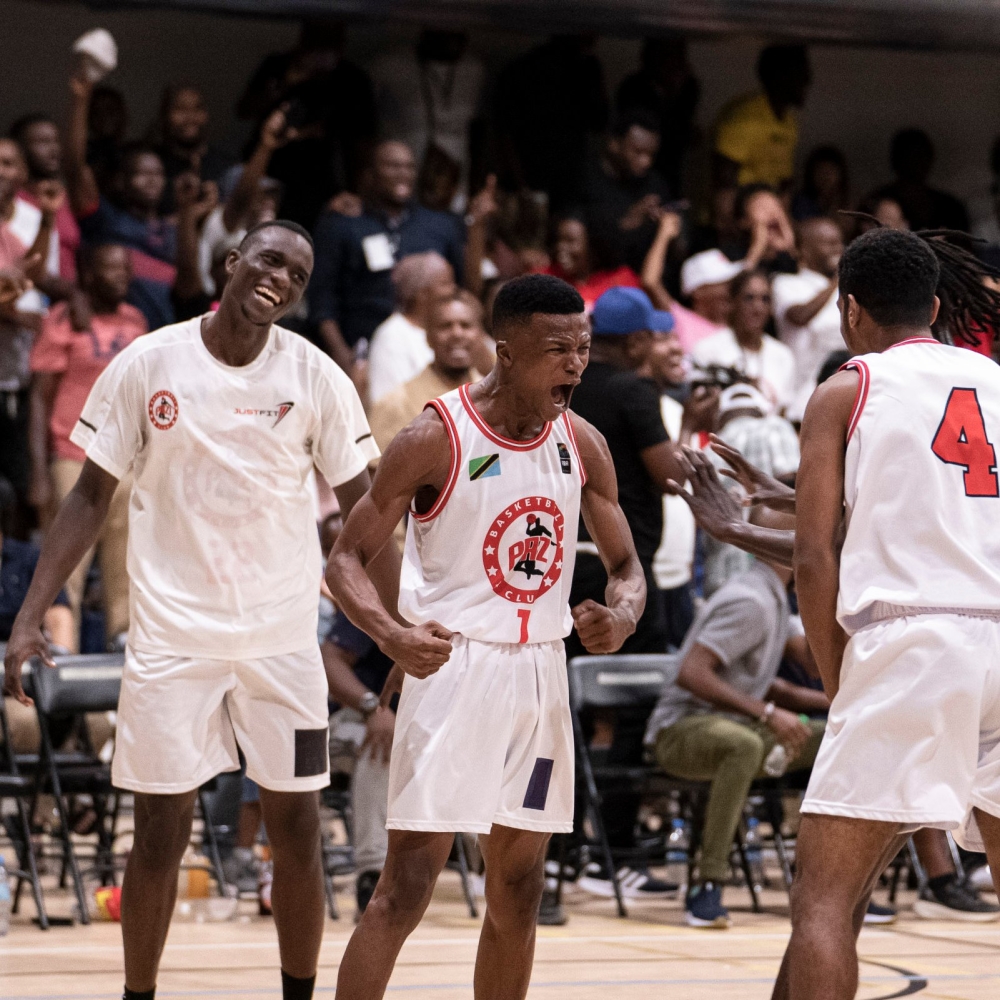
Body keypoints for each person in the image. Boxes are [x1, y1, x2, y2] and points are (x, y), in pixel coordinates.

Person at [4, 218, 399, 1000]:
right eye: (270, 260)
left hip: (283, 637)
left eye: (297, 274)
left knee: (297, 832)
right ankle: (138, 995)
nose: (280, 278)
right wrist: (27, 616)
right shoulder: (149, 362)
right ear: (232, 261)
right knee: (157, 832)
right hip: (172, 636)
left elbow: (369, 513)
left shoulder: (317, 376)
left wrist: (395, 633)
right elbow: (89, 496)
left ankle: (296, 994)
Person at [326, 273, 646, 1000]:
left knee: (519, 887)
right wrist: (391, 636)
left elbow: (627, 567)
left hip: (538, 674)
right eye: (557, 349)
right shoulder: (435, 435)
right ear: (505, 351)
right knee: (406, 889)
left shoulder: (583, 442)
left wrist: (620, 615)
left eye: (584, 348)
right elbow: (343, 559)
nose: (575, 363)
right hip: (452, 670)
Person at [769, 226, 1000, 999]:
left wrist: (841, 683)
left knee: (824, 905)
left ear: (849, 311)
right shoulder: (995, 380)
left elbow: (811, 557)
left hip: (914, 639)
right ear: (936, 306)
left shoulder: (846, 388)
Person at [646, 506, 824, 928]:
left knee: (839, 737)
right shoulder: (751, 601)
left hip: (739, 724)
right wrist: (768, 711)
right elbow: (691, 672)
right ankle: (707, 885)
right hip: (679, 732)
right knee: (741, 746)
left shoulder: (776, 597)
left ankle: (828, 883)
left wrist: (828, 704)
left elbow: (793, 672)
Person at [28, 244, 146, 650]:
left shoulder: (136, 320)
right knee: (67, 563)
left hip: (126, 459)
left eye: (125, 270)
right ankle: (61, 654)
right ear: (89, 274)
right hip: (72, 454)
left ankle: (123, 647)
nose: (120, 277)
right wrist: (39, 470)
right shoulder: (63, 320)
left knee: (127, 560)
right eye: (110, 269)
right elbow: (40, 397)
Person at [309, 140, 465, 373]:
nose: (403, 174)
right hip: (362, 352)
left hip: (430, 350)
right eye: (392, 166)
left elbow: (460, 291)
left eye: (409, 167)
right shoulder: (342, 223)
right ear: (370, 174)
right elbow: (322, 299)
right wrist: (340, 354)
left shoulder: (441, 224)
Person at [66, 67, 177, 332]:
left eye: (158, 174)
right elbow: (75, 167)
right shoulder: (107, 221)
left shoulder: (173, 229)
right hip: (115, 339)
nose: (152, 180)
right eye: (141, 173)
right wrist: (81, 100)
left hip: (165, 338)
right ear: (121, 181)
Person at [237, 20, 377, 230]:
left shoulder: (350, 79)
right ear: (303, 40)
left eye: (330, 43)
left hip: (319, 183)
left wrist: (357, 195)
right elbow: (244, 111)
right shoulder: (279, 66)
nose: (322, 51)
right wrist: (291, 81)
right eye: (316, 42)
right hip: (267, 173)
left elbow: (362, 145)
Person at [322, 608, 396, 917]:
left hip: (424, 729)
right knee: (383, 747)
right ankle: (372, 874)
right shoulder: (377, 597)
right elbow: (329, 659)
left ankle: (500, 871)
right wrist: (373, 709)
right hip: (355, 719)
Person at [370, 29, 485, 213]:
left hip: (456, 171)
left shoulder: (474, 68)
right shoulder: (392, 65)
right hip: (409, 161)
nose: (450, 44)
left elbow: (480, 131)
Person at [495, 35, 608, 210]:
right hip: (538, 176)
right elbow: (504, 133)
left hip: (563, 181)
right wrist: (521, 185)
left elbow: (600, 121)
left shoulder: (586, 70)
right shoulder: (526, 70)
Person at [369, 290, 486, 451]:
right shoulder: (395, 404)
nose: (457, 334)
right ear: (428, 337)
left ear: (480, 334)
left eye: (465, 325)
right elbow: (375, 472)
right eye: (445, 326)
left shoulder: (498, 399)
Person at [581, 109, 673, 273]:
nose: (646, 162)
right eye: (638, 152)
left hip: (640, 279)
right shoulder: (586, 180)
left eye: (651, 155)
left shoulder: (654, 184)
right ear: (614, 144)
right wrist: (629, 222)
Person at [772, 217, 846, 419]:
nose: (838, 249)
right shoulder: (787, 283)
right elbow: (800, 316)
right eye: (829, 243)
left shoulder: (849, 288)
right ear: (804, 250)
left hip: (848, 395)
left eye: (839, 242)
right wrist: (837, 279)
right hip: (803, 399)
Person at [692, 269, 796, 411]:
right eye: (749, 298)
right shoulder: (708, 349)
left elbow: (783, 411)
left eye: (765, 299)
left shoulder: (783, 355)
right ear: (732, 303)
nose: (757, 308)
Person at [713, 45, 811, 194]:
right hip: (741, 212)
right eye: (800, 73)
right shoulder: (744, 118)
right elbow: (723, 185)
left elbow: (784, 181)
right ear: (779, 76)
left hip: (769, 211)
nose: (808, 79)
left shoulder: (789, 121)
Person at [366, 252, 456, 406]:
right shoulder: (392, 336)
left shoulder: (456, 331)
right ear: (422, 294)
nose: (454, 290)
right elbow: (390, 404)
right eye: (445, 283)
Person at [615, 37, 700, 197]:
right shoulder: (633, 86)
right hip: (632, 166)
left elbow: (684, 129)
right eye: (667, 56)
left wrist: (675, 92)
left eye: (678, 56)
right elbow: (639, 125)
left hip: (672, 164)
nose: (673, 63)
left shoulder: (688, 87)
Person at [10, 114, 81, 283]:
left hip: (66, 302)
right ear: (20, 150)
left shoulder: (63, 197)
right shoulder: (10, 201)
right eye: (42, 142)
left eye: (56, 141)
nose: (53, 149)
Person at [148, 84, 232, 213]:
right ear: (165, 115)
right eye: (180, 109)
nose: (190, 118)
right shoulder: (150, 166)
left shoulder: (226, 166)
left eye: (197, 109)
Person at [869, 129, 969, 233]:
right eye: (908, 155)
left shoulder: (950, 207)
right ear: (896, 160)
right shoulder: (874, 202)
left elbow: (963, 246)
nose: (914, 163)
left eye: (919, 156)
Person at [542, 211, 642, 311]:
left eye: (570, 240)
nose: (560, 247)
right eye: (559, 240)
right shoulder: (545, 279)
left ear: (592, 245)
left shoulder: (621, 279)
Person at [792, 146, 851, 229]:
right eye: (821, 171)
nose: (825, 177)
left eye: (830, 171)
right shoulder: (802, 203)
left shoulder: (847, 201)